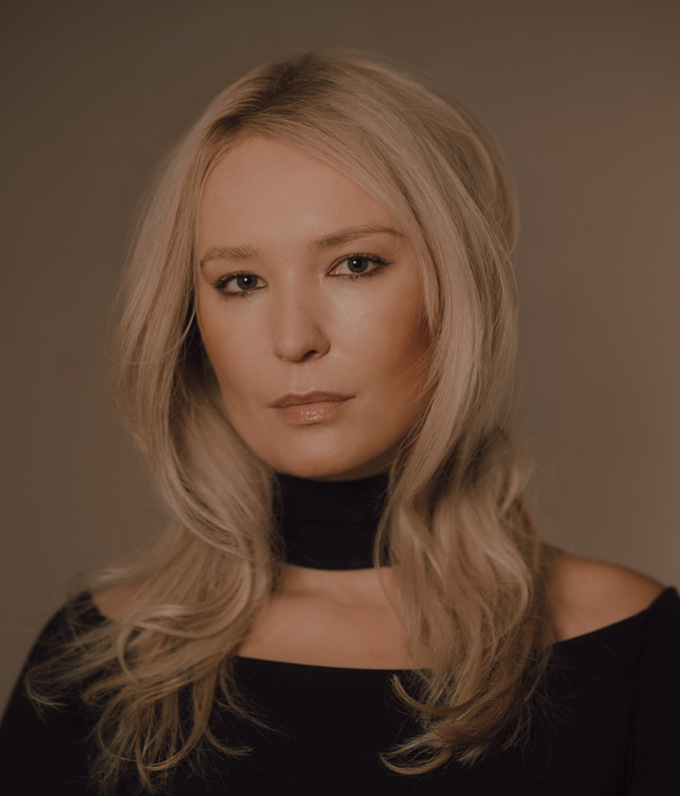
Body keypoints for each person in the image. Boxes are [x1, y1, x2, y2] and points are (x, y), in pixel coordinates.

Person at [1, 52, 678, 796]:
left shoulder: (636, 647)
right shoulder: (94, 663)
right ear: (192, 323)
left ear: (458, 289)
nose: (294, 338)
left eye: (354, 264)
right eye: (241, 281)